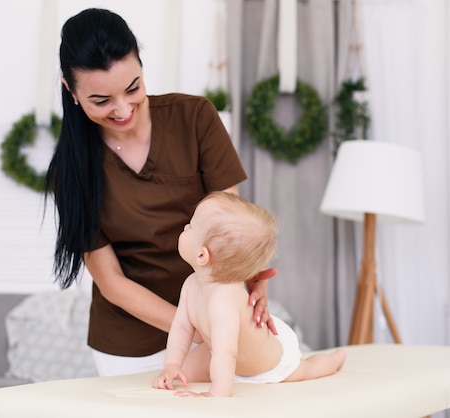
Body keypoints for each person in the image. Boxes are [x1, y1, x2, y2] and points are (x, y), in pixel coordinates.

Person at [44, 8, 276, 377]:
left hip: (212, 322)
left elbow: (228, 224)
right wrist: (192, 326)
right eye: (101, 101)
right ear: (70, 91)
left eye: (133, 88)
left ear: (141, 64)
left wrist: (248, 277)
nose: (123, 110)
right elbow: (112, 282)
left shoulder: (194, 118)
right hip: (130, 347)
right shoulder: (70, 172)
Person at [152, 192, 346, 397]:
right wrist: (172, 365)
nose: (185, 227)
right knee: (185, 373)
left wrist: (215, 394)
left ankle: (333, 359)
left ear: (202, 255)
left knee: (305, 370)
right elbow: (182, 326)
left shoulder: (223, 301)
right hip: (221, 354)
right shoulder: (191, 284)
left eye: (190, 226)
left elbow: (227, 353)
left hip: (266, 363)